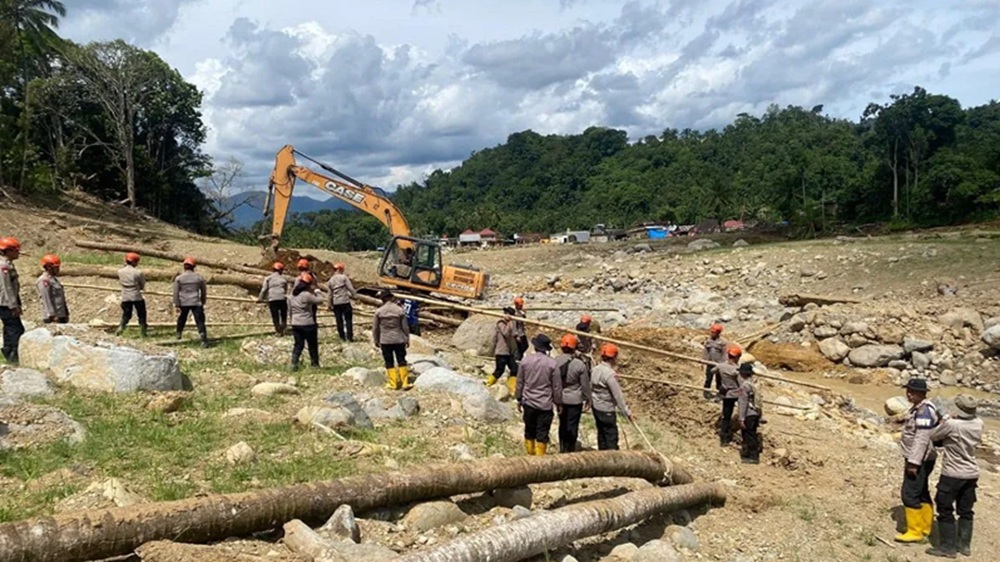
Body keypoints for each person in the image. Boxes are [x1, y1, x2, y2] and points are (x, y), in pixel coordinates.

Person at [925, 394, 983, 558]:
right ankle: (964, 545)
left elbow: (933, 435)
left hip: (952, 472)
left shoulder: (952, 424)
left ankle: (947, 547)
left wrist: (945, 421)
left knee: (944, 507)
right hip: (971, 472)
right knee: (966, 510)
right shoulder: (979, 423)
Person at [895, 377, 940, 543]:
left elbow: (922, 438)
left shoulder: (923, 412)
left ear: (922, 393)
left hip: (919, 460)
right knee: (921, 491)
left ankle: (915, 532)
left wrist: (914, 462)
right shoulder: (920, 408)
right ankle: (925, 527)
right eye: (908, 390)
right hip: (922, 458)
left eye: (912, 391)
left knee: (909, 493)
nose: (909, 394)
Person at [515, 333, 561, 456]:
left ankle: (530, 455)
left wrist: (518, 398)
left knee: (529, 430)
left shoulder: (525, 361)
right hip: (545, 404)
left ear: (535, 347)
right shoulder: (552, 364)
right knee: (542, 433)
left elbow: (520, 381)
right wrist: (558, 402)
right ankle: (540, 459)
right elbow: (556, 386)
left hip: (529, 402)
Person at [590, 343, 634, 450]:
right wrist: (627, 413)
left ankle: (602, 459)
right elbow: (618, 396)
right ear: (614, 358)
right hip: (607, 409)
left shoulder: (595, 369)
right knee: (611, 437)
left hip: (596, 407)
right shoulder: (610, 375)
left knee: (601, 434)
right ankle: (613, 461)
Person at [555, 333, 591, 453]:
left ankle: (562, 448)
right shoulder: (579, 364)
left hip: (560, 398)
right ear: (574, 348)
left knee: (562, 424)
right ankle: (570, 450)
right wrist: (588, 398)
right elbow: (585, 384)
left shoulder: (555, 362)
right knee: (572, 425)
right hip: (575, 399)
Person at [373, 289, 411, 390]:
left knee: (389, 361)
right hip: (398, 339)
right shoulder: (399, 310)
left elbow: (375, 328)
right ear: (391, 298)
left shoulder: (379, 311)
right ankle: (405, 383)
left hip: (385, 340)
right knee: (401, 360)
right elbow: (405, 327)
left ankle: (393, 383)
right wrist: (407, 338)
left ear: (383, 299)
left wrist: (376, 340)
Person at [289, 273, 324, 371]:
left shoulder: (292, 295)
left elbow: (290, 310)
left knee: (298, 345)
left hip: (295, 323)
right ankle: (315, 364)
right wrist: (317, 291)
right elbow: (320, 300)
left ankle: (294, 363)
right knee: (312, 345)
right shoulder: (306, 295)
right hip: (308, 323)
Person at [172, 257, 209, 348]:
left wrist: (177, 304)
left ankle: (179, 332)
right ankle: (203, 339)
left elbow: (176, 292)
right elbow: (203, 291)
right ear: (194, 267)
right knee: (200, 321)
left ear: (184, 267)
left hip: (184, 302)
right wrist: (203, 301)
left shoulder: (179, 278)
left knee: (182, 318)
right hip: (196, 302)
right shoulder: (199, 278)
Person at [712, 344, 742, 445]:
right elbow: (742, 384)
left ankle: (723, 439)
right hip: (736, 393)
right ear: (737, 357)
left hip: (726, 394)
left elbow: (713, 371)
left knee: (726, 416)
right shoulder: (737, 370)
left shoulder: (721, 366)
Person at [0, 237, 24, 364]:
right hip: (5, 303)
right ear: (7, 251)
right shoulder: (3, 266)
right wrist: (13, 306)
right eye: (15, 250)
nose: (17, 253)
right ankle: (13, 356)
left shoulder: (7, 264)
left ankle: (8, 352)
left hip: (6, 302)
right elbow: (6, 287)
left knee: (9, 328)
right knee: (16, 329)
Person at [487, 307, 518, 392]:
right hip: (501, 351)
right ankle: (488, 383)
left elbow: (514, 333)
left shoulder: (510, 323)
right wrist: (511, 323)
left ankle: (512, 388)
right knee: (499, 370)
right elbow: (506, 333)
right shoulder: (500, 323)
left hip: (509, 352)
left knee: (515, 368)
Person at [117, 252, 148, 336]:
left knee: (126, 314)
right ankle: (143, 331)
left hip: (125, 296)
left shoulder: (120, 271)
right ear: (135, 262)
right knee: (141, 314)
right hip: (136, 296)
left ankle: (121, 327)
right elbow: (142, 284)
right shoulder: (138, 272)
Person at [737, 363, 762, 464]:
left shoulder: (744, 386)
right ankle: (751, 453)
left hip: (748, 413)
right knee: (752, 433)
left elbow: (743, 403)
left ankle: (753, 456)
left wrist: (741, 418)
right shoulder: (754, 383)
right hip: (756, 412)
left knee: (749, 435)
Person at [326, 263, 356, 342]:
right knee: (348, 320)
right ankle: (349, 337)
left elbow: (329, 295)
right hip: (345, 301)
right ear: (340, 269)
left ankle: (342, 337)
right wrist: (355, 296)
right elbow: (351, 288)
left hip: (336, 303)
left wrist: (329, 305)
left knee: (339, 320)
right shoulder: (344, 278)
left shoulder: (331, 280)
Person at [36, 254, 68, 324]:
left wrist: (65, 313)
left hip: (60, 314)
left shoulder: (54, 280)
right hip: (53, 317)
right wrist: (52, 315)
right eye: (56, 267)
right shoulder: (44, 280)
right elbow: (46, 298)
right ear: (49, 267)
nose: (58, 269)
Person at [259, 262, 289, 336]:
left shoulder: (268, 278)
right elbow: (285, 289)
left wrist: (260, 299)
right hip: (282, 298)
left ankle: (278, 331)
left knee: (275, 316)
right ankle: (283, 327)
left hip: (272, 299)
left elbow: (264, 289)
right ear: (281, 270)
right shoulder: (283, 279)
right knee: (283, 315)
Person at [702, 323, 727, 399]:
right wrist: (704, 360)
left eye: (714, 332)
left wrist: (722, 364)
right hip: (710, 363)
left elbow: (724, 354)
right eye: (711, 332)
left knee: (719, 380)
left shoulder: (722, 343)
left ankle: (719, 394)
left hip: (718, 364)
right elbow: (706, 351)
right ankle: (706, 392)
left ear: (718, 333)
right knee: (708, 378)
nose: (712, 334)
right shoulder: (708, 341)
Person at [513, 296, 528, 361]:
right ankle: (517, 360)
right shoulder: (514, 313)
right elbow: (514, 325)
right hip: (518, 334)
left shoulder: (520, 312)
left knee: (525, 346)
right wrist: (516, 335)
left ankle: (520, 358)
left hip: (522, 332)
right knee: (518, 349)